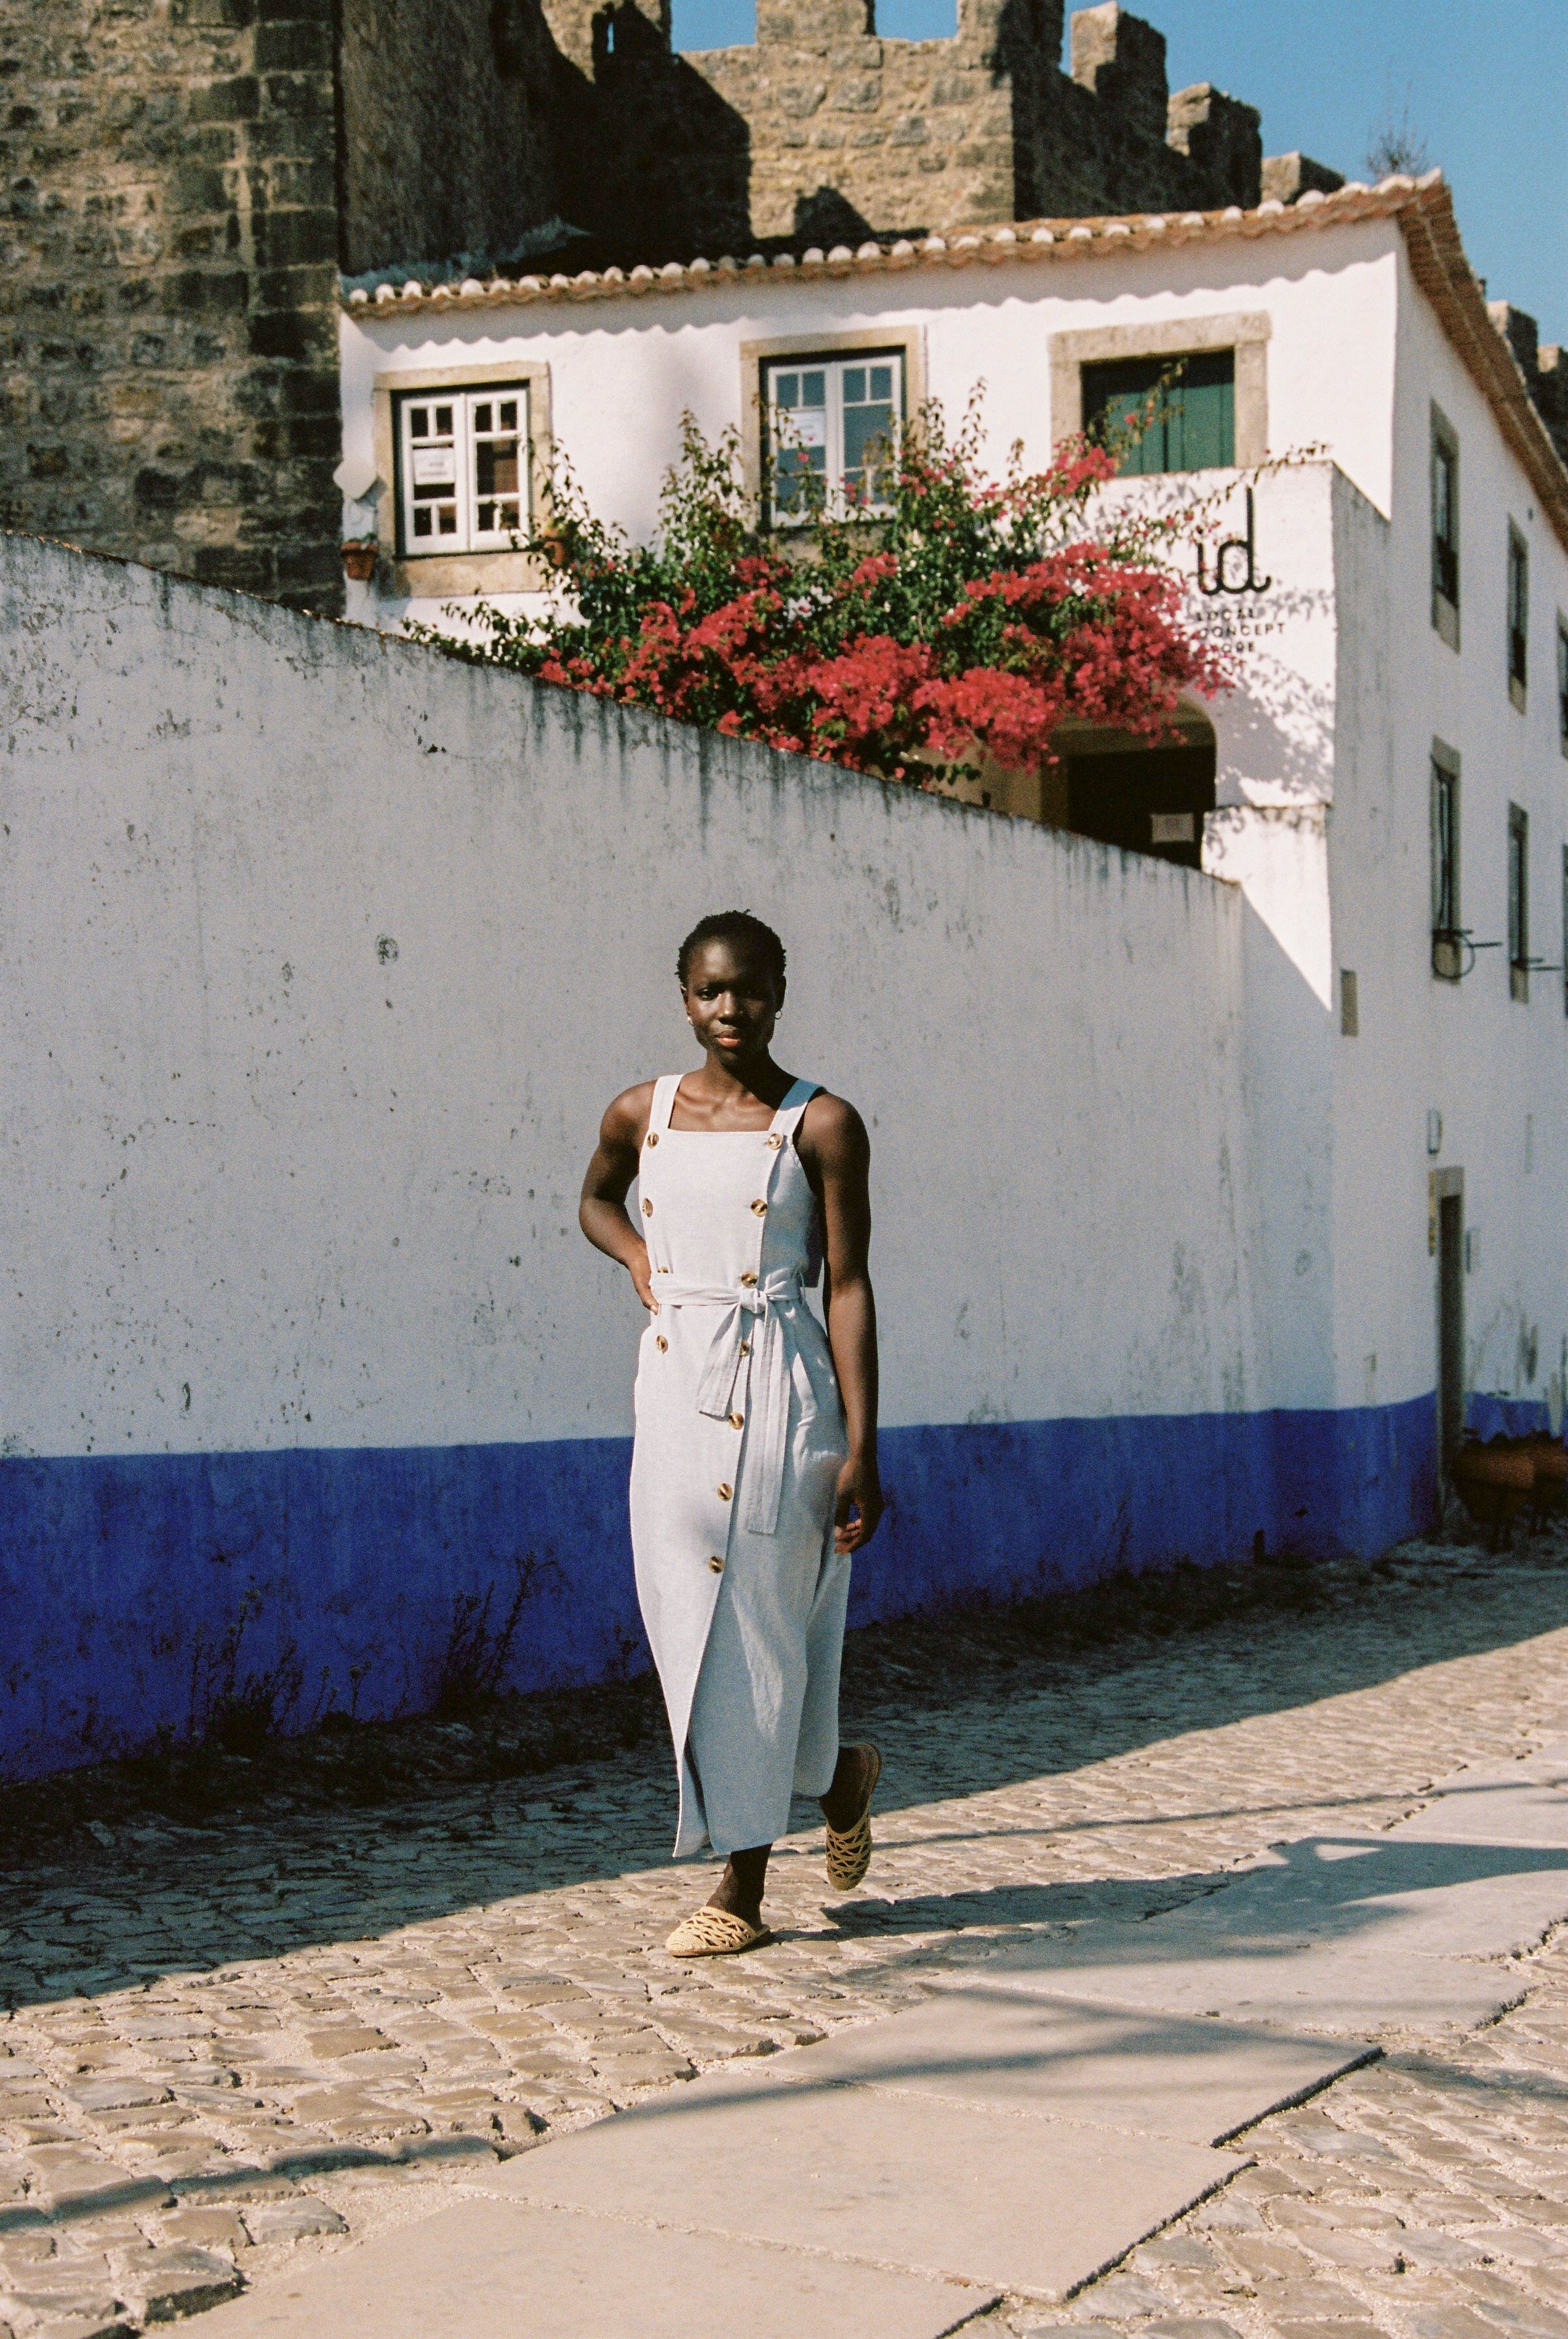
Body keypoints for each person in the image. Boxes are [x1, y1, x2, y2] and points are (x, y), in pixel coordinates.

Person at [580, 910, 884, 1956]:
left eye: (749, 989)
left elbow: (848, 1286)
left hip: (785, 1389)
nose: (730, 1008)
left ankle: (739, 1890)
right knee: (686, 1620)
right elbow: (595, 1201)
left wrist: (862, 1447)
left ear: (778, 995)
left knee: (753, 1624)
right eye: (710, 990)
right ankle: (837, 1779)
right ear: (683, 999)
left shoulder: (822, 1124)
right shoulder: (641, 1112)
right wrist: (636, 1257)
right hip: (675, 1389)